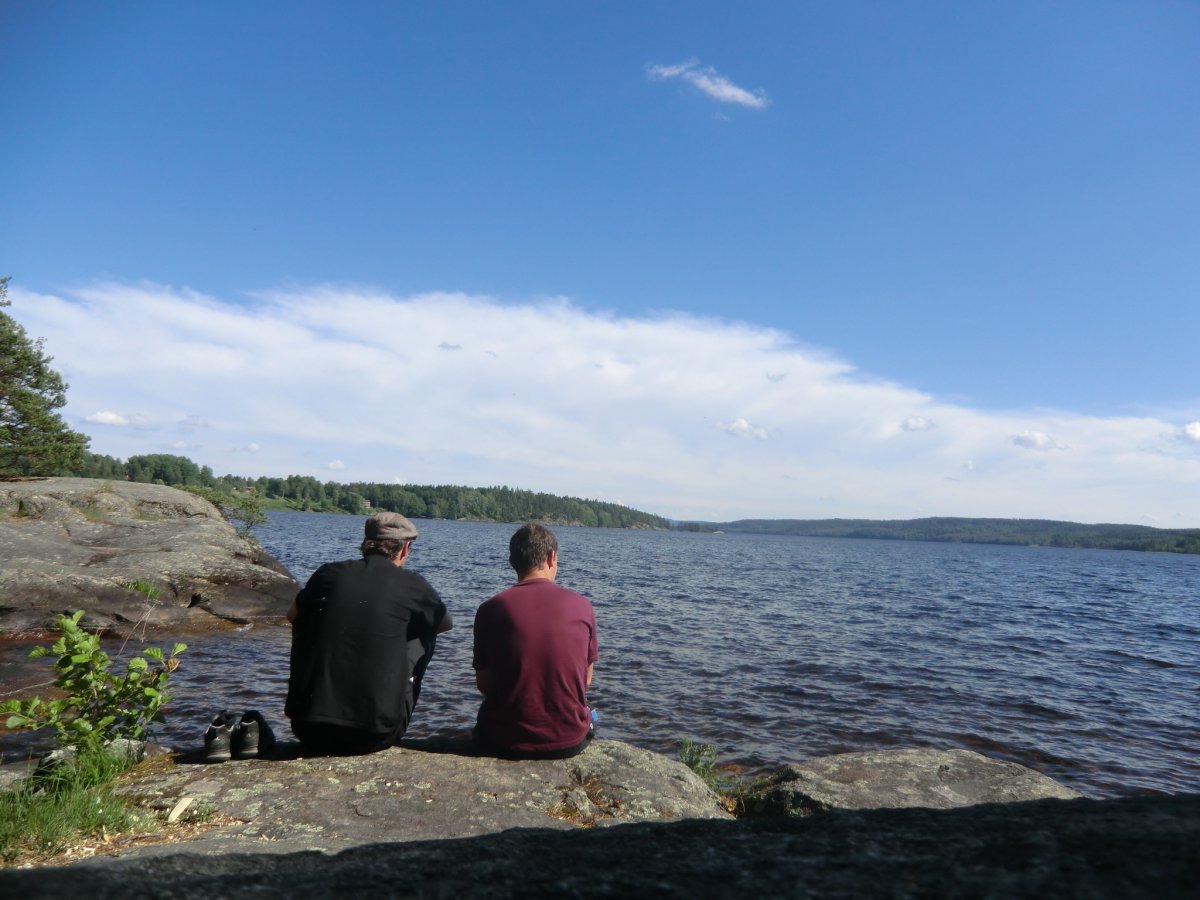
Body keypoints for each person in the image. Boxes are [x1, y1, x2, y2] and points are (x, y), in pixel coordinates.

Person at [285, 511, 452, 755]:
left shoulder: (328, 573)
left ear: (366, 543)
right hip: (375, 735)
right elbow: (445, 624)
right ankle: (382, 703)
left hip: (307, 730)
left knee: (310, 620)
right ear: (405, 548)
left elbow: (291, 616)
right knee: (423, 633)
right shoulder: (413, 584)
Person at [472, 523, 598, 759]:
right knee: (592, 715)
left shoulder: (489, 609)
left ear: (512, 562)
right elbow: (586, 680)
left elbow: (484, 685)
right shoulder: (583, 606)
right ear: (552, 558)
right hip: (568, 739)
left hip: (501, 740)